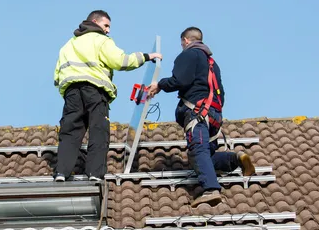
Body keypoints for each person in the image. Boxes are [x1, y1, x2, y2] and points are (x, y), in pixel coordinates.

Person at [148, 26, 255, 206]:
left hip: (197, 113)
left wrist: (159, 85)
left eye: (181, 43)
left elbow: (179, 81)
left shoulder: (188, 55)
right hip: (214, 116)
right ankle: (235, 159)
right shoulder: (212, 63)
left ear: (186, 40)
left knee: (198, 150)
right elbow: (221, 93)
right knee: (203, 157)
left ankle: (211, 189)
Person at [53, 10, 162, 182]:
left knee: (70, 132)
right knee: (98, 130)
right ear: (95, 22)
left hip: (71, 92)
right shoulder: (101, 40)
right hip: (95, 90)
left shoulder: (69, 44)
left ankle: (61, 173)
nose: (108, 30)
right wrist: (147, 57)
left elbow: (57, 74)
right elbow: (121, 61)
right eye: (106, 25)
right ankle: (95, 174)